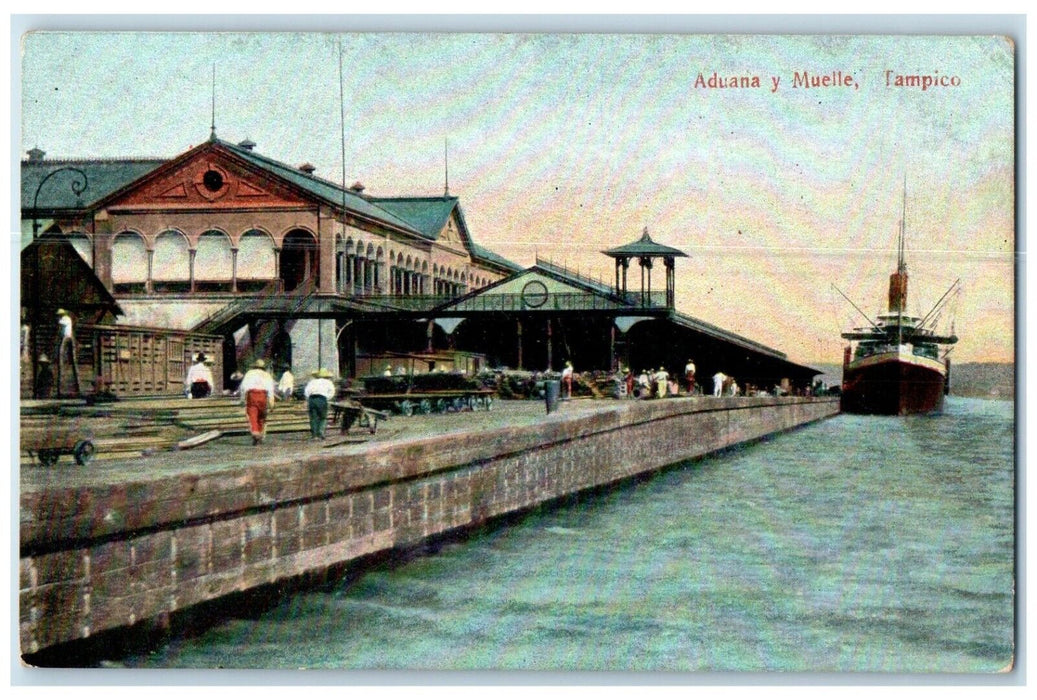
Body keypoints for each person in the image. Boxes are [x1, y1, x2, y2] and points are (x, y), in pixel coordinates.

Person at [239, 359, 276, 445]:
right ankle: (260, 433)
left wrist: (242, 399)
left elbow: (243, 387)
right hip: (263, 395)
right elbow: (271, 389)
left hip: (252, 395)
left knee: (252, 414)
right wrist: (271, 402)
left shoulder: (250, 373)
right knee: (262, 416)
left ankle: (255, 432)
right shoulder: (267, 375)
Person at [304, 368, 337, 440]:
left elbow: (306, 392)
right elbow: (332, 392)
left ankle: (314, 435)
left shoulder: (312, 382)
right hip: (322, 399)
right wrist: (326, 398)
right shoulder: (328, 382)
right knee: (323, 417)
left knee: (313, 417)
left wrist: (309, 399)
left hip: (312, 399)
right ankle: (321, 432)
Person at [55, 309, 80, 397]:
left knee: (63, 351)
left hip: (67, 336)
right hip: (65, 336)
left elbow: (60, 323)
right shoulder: (65, 318)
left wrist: (58, 321)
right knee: (62, 352)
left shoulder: (66, 318)